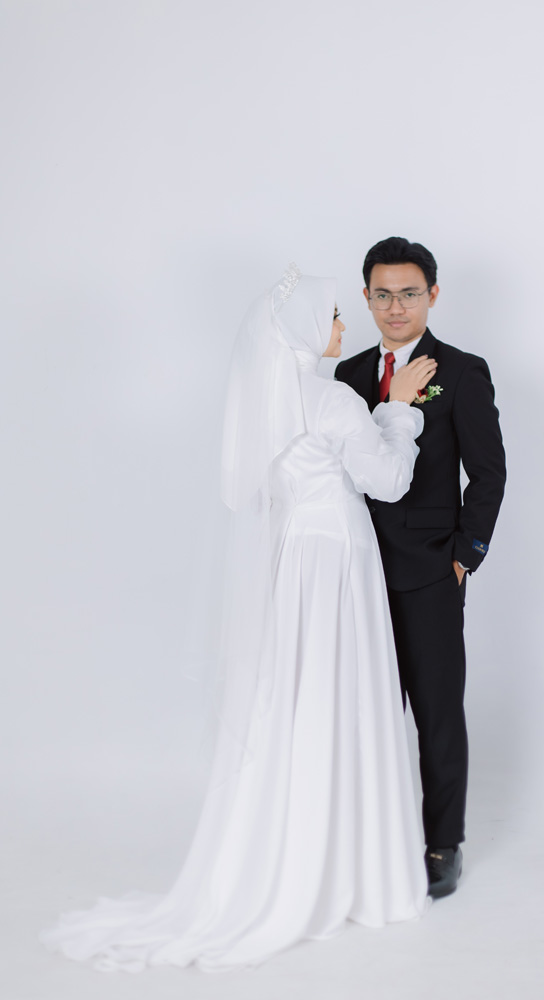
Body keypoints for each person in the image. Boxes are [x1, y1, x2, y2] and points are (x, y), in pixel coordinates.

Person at [39, 265, 434, 971]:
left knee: (296, 695)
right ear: (305, 328)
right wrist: (397, 411)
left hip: (292, 557)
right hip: (337, 559)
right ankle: (352, 867)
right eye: (333, 315)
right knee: (340, 694)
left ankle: (295, 853)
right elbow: (388, 481)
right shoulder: (334, 398)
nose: (343, 326)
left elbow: (246, 491)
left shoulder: (263, 403)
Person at [335, 238, 506, 898]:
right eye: (382, 294)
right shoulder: (348, 373)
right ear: (366, 297)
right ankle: (369, 838)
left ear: (432, 294)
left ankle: (442, 844)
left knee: (436, 712)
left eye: (409, 293)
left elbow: (487, 473)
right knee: (365, 710)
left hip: (432, 570)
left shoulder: (460, 371)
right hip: (356, 569)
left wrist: (465, 556)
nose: (395, 307)